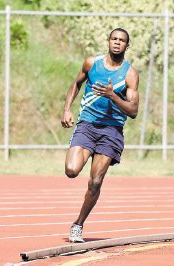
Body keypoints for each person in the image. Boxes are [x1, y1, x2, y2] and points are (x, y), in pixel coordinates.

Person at [61, 28, 139, 242]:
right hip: (87, 125)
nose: (117, 43)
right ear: (108, 41)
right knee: (71, 170)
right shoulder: (91, 63)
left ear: (126, 46)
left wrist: (112, 95)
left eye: (122, 41)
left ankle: (78, 225)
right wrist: (67, 108)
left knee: (95, 182)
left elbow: (133, 111)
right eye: (114, 39)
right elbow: (76, 84)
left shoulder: (130, 74)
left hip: (111, 131)